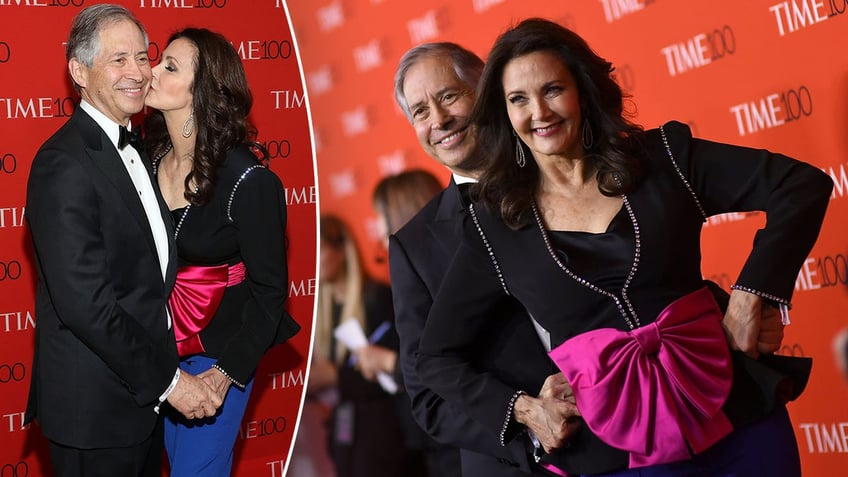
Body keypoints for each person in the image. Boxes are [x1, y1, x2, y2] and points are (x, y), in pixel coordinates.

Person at [416, 18, 832, 477]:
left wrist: (753, 295)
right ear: (504, 112)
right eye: (518, 99)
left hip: (739, 418)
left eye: (552, 89)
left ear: (583, 91)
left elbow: (800, 186)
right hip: (612, 455)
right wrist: (525, 409)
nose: (539, 112)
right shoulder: (494, 225)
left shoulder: (661, 160)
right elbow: (435, 358)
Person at [24, 5, 222, 477]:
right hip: (95, 414)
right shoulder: (62, 164)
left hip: (141, 406)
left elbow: (147, 283)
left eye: (141, 56)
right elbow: (86, 305)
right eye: (119, 60)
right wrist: (171, 383)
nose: (137, 72)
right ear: (79, 71)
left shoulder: (140, 149)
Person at [389, 42, 561, 477]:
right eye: (420, 112)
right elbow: (428, 400)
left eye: (448, 96)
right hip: (518, 464)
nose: (439, 120)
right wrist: (531, 426)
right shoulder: (414, 247)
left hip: (639, 431)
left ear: (486, 90)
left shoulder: (568, 172)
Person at [143, 27, 300, 475]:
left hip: (219, 357)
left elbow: (271, 293)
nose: (151, 71)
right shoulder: (147, 160)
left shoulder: (249, 183)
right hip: (157, 355)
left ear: (204, 90)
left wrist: (225, 374)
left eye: (170, 66)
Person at [309, 214, 426, 477]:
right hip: (348, 444)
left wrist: (337, 377)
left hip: (386, 442)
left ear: (341, 250)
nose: (312, 259)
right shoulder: (322, 313)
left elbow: (402, 373)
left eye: (318, 248)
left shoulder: (377, 298)